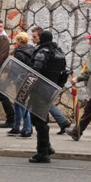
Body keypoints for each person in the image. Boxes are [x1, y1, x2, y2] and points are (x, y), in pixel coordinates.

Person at [28, 31, 65, 163]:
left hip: (40, 90)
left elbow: (35, 72)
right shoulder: (59, 53)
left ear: (42, 39)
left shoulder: (42, 52)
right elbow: (63, 74)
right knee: (41, 119)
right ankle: (47, 147)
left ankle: (42, 153)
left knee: (39, 120)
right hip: (51, 89)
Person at [31, 26, 71, 134]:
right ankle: (62, 122)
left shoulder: (43, 52)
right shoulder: (59, 52)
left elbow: (36, 70)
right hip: (55, 84)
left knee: (41, 109)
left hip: (42, 84)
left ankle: (61, 123)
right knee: (47, 104)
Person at [7, 32, 34, 138]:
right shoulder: (32, 50)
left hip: (19, 80)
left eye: (17, 40)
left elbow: (15, 68)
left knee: (22, 104)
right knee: (18, 103)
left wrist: (10, 79)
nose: (15, 42)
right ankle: (16, 126)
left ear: (20, 41)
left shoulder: (19, 53)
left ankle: (27, 128)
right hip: (28, 79)